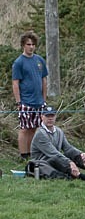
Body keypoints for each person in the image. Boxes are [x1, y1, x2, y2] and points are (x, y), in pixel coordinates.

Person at [30, 106, 85, 179]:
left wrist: (81, 154)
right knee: (57, 158)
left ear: (55, 117)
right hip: (42, 164)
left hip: (55, 159)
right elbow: (53, 153)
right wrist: (70, 162)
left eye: (52, 116)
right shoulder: (40, 134)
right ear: (42, 117)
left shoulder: (58, 131)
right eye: (47, 116)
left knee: (73, 154)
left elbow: (68, 148)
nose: (50, 118)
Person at [12, 30, 47, 161]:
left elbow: (44, 80)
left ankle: (31, 153)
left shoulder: (39, 60)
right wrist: (18, 102)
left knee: (34, 128)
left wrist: (44, 99)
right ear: (23, 45)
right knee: (24, 128)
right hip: (25, 102)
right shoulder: (19, 62)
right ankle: (23, 154)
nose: (31, 47)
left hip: (39, 102)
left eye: (33, 44)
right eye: (28, 44)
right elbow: (15, 83)